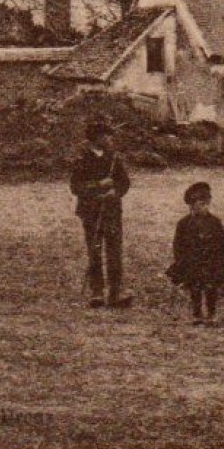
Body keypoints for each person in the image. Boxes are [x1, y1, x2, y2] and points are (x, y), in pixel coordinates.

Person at [69, 118, 133, 309]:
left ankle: (115, 293)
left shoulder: (115, 159)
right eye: (106, 135)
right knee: (94, 250)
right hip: (91, 212)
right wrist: (98, 185)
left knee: (114, 251)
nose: (109, 139)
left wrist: (116, 191)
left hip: (112, 211)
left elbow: (124, 182)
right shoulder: (82, 160)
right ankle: (96, 292)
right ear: (96, 138)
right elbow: (75, 186)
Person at [167, 182, 224, 325]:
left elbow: (223, 242)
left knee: (211, 287)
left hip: (211, 261)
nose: (204, 207)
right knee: (195, 287)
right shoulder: (184, 224)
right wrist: (181, 260)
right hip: (193, 261)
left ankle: (211, 314)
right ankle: (196, 314)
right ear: (191, 205)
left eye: (207, 204)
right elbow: (178, 244)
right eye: (200, 204)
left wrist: (220, 256)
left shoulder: (215, 222)